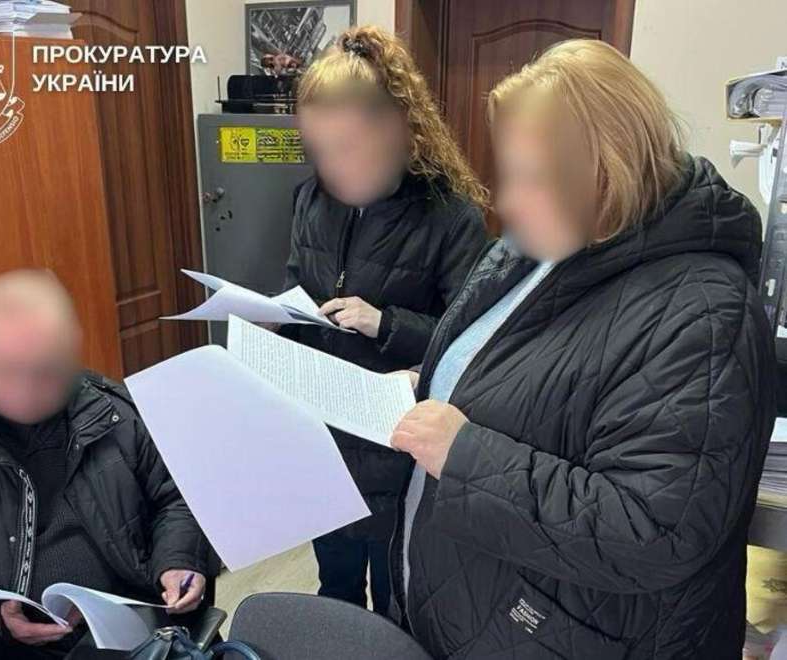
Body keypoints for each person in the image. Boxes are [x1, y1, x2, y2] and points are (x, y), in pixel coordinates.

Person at [389, 39, 777, 659]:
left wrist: (464, 456)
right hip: (472, 607)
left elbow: (653, 529)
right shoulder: (538, 247)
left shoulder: (705, 312)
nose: (504, 202)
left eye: (529, 178)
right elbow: (521, 376)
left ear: (605, 171)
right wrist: (435, 381)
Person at [0, 270, 219, 659]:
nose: (26, 390)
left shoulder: (113, 414)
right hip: (17, 649)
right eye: (7, 371)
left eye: (45, 371)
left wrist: (179, 561)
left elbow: (177, 498)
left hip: (142, 628)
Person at [281, 25, 488, 615]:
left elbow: (474, 346)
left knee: (398, 604)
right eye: (320, 150)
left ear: (399, 130)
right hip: (323, 433)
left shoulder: (451, 216)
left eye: (348, 148)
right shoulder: (311, 199)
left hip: (398, 442)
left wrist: (386, 323)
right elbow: (298, 279)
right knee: (335, 592)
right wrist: (276, 317)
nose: (334, 167)